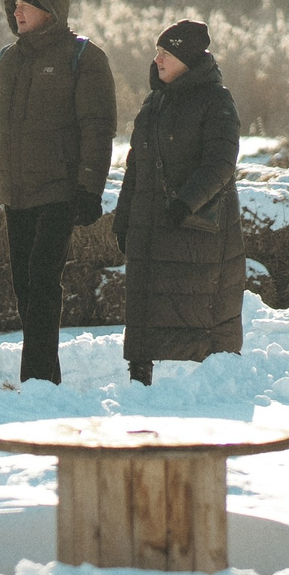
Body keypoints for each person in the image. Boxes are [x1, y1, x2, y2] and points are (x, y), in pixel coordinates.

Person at [0, 0, 118, 386]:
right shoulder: (7, 59)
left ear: (50, 10)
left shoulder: (83, 58)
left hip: (60, 191)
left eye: (26, 5)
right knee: (24, 286)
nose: (17, 12)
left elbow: (98, 126)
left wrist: (90, 188)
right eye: (14, 6)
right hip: (16, 191)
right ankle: (45, 378)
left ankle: (37, 379)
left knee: (43, 280)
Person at [113, 20, 245, 385]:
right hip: (150, 225)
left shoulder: (217, 100)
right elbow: (135, 165)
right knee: (145, 304)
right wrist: (123, 218)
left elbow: (221, 162)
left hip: (195, 227)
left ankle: (208, 386)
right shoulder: (154, 102)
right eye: (157, 52)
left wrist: (186, 203)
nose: (157, 60)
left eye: (166, 53)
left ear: (186, 59)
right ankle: (140, 373)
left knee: (200, 306)